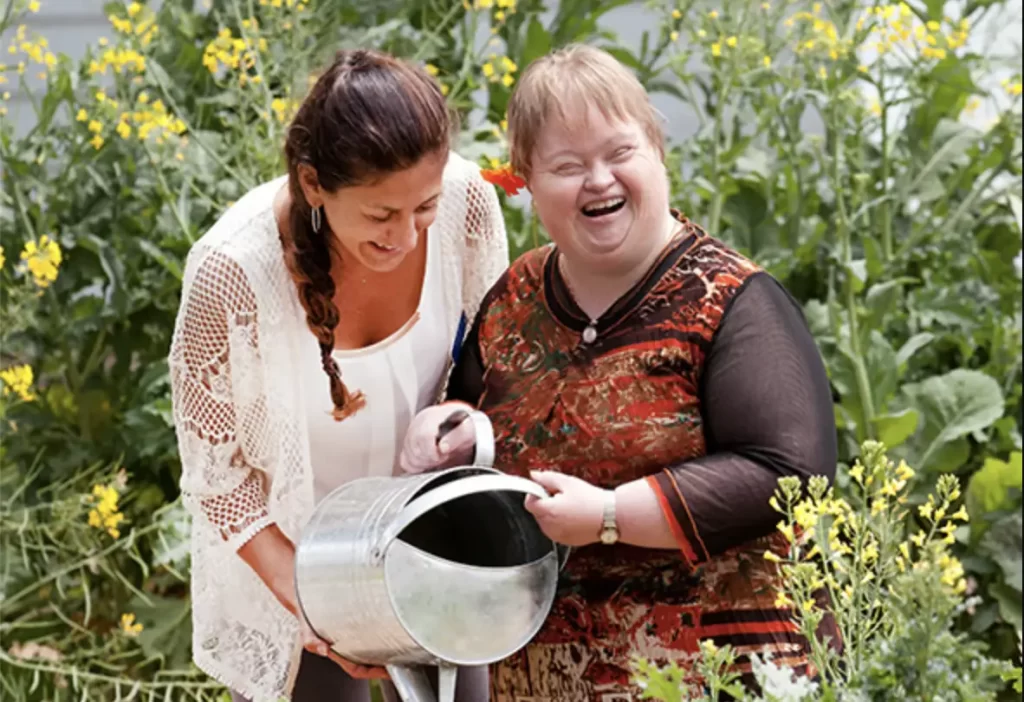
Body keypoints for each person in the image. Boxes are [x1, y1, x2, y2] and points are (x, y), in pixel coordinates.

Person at [401, 44, 840, 701]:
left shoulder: (731, 299)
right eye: (567, 165)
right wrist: (450, 427)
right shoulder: (514, 297)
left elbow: (786, 471)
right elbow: (477, 439)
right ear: (525, 181)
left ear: (657, 149)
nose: (598, 181)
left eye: (619, 153)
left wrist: (610, 515)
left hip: (723, 678)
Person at [168, 48, 507, 702]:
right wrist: (310, 598)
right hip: (295, 563)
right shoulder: (230, 273)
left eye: (422, 210)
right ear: (314, 183)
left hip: (436, 550)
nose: (407, 237)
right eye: (380, 216)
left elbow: (495, 360)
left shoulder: (466, 201)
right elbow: (216, 475)